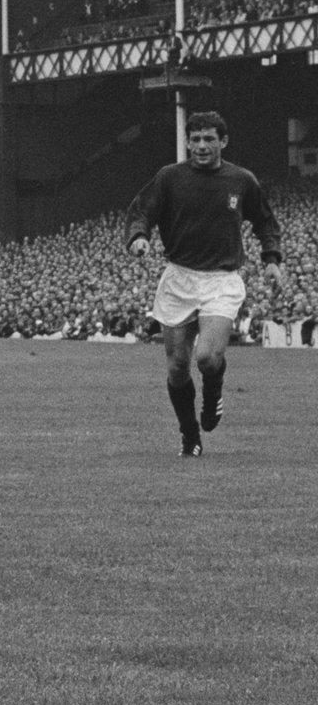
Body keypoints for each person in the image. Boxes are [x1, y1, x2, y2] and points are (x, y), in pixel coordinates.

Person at [125, 110, 283, 456]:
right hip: (179, 277)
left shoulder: (242, 180)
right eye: (194, 139)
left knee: (208, 358)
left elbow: (265, 221)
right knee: (178, 366)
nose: (201, 145)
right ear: (187, 142)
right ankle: (189, 436)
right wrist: (138, 236)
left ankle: (212, 396)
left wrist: (271, 259)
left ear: (223, 142)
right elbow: (142, 210)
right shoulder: (169, 177)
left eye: (209, 139)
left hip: (221, 280)